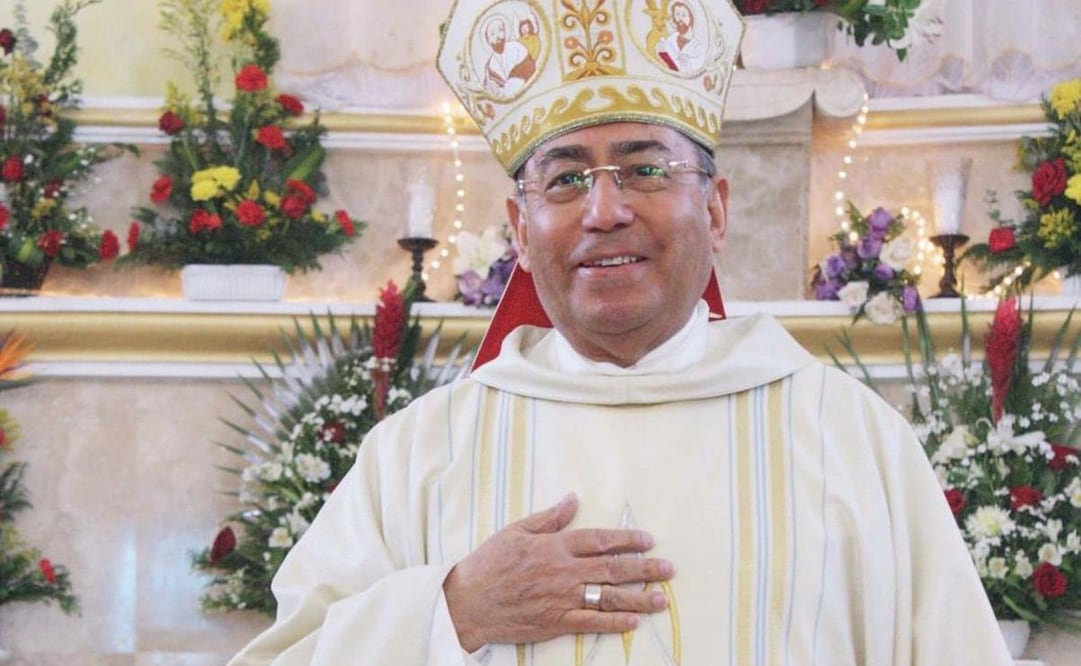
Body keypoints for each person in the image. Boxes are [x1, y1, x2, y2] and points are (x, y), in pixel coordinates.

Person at [231, 2, 1013, 664]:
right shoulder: (418, 454)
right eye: (566, 178)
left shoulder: (852, 440)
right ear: (519, 228)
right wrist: (452, 609)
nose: (603, 211)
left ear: (715, 209)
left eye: (644, 170)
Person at [656, 1, 706, 72]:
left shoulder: (698, 50)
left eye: (683, 15)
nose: (680, 19)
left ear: (691, 18)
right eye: (677, 15)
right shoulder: (669, 41)